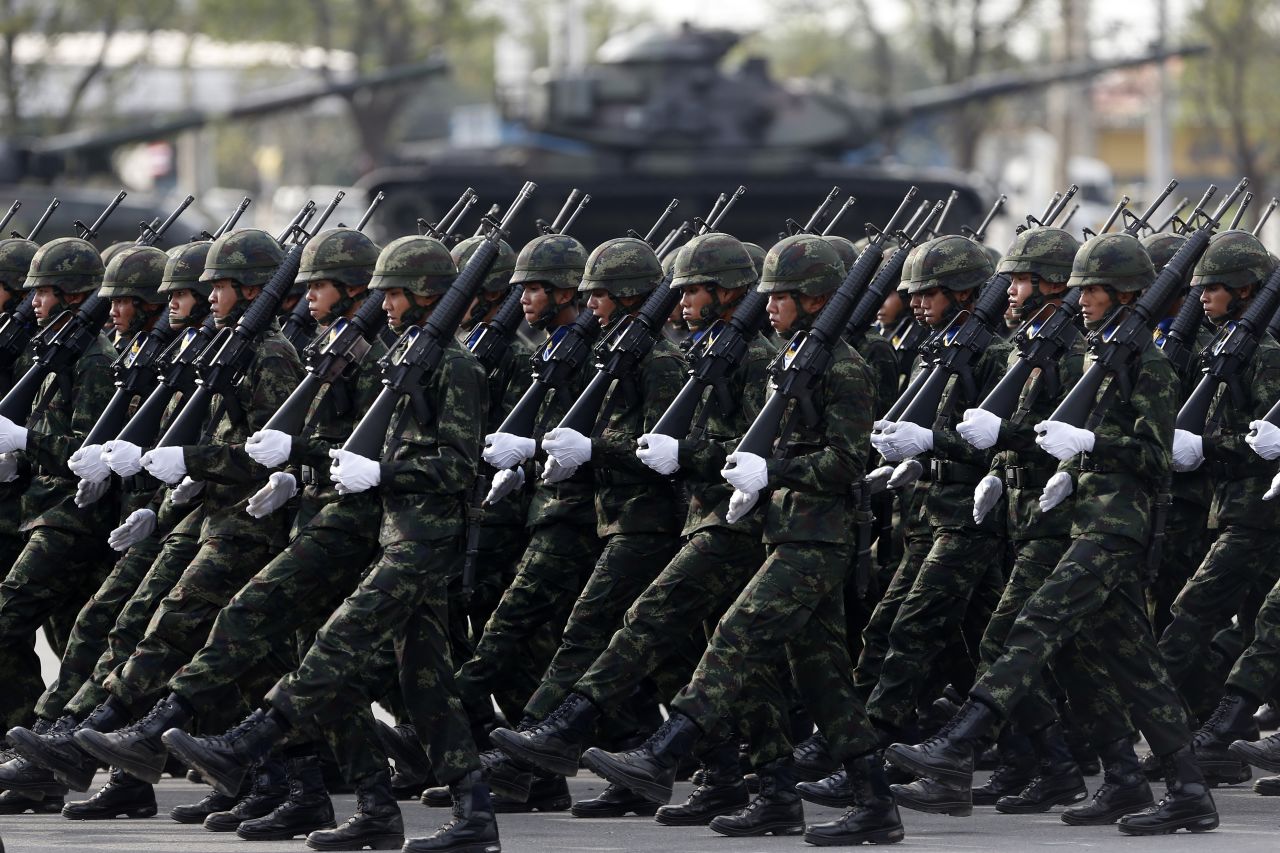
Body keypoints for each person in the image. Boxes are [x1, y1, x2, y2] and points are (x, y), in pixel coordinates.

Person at [883, 232, 1220, 837]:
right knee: (1130, 662)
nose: (1081, 298)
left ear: (1123, 293)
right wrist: (1063, 468)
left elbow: (1155, 454)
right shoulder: (1099, 351)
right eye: (1079, 288)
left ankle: (959, 743)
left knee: (1036, 624)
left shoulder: (1155, 361)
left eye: (1091, 289)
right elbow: (1071, 433)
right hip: (1083, 515)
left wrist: (1090, 447)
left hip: (1117, 526)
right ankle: (1165, 785)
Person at [573, 234, 902, 847]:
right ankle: (860, 804)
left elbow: (846, 462)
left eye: (785, 296)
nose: (770, 305)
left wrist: (772, 471)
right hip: (786, 531)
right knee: (823, 679)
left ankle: (664, 753)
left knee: (735, 635)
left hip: (820, 539)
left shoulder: (845, 367)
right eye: (769, 294)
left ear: (817, 300)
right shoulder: (791, 357)